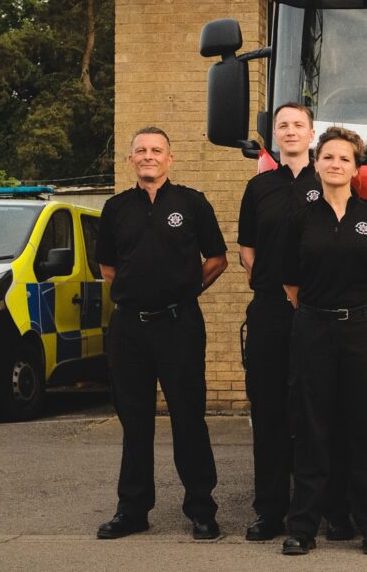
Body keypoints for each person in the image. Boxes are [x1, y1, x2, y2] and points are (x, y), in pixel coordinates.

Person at [95, 126, 228, 540]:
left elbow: (218, 259)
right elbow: (107, 269)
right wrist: (138, 295)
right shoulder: (115, 208)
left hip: (179, 326)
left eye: (156, 150)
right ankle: (132, 509)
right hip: (130, 328)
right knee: (135, 422)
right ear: (130, 159)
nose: (148, 156)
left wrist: (184, 292)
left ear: (170, 159)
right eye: (141, 151)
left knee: (189, 418)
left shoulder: (192, 203)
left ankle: (202, 509)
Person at [237, 103, 353, 542]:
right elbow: (247, 252)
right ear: (275, 135)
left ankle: (334, 509)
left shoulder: (326, 179)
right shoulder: (259, 187)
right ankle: (270, 510)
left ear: (311, 135)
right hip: (269, 312)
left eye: (298, 126)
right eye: (282, 126)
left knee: (323, 413)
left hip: (318, 312)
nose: (289, 132)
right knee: (268, 413)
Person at [279, 126, 367, 556]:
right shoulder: (300, 220)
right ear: (316, 164)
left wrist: (362, 316)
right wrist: (319, 315)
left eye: (344, 158)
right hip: (313, 329)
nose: (335, 164)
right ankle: (304, 527)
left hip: (363, 330)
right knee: (312, 429)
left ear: (356, 168)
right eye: (327, 157)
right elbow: (291, 283)